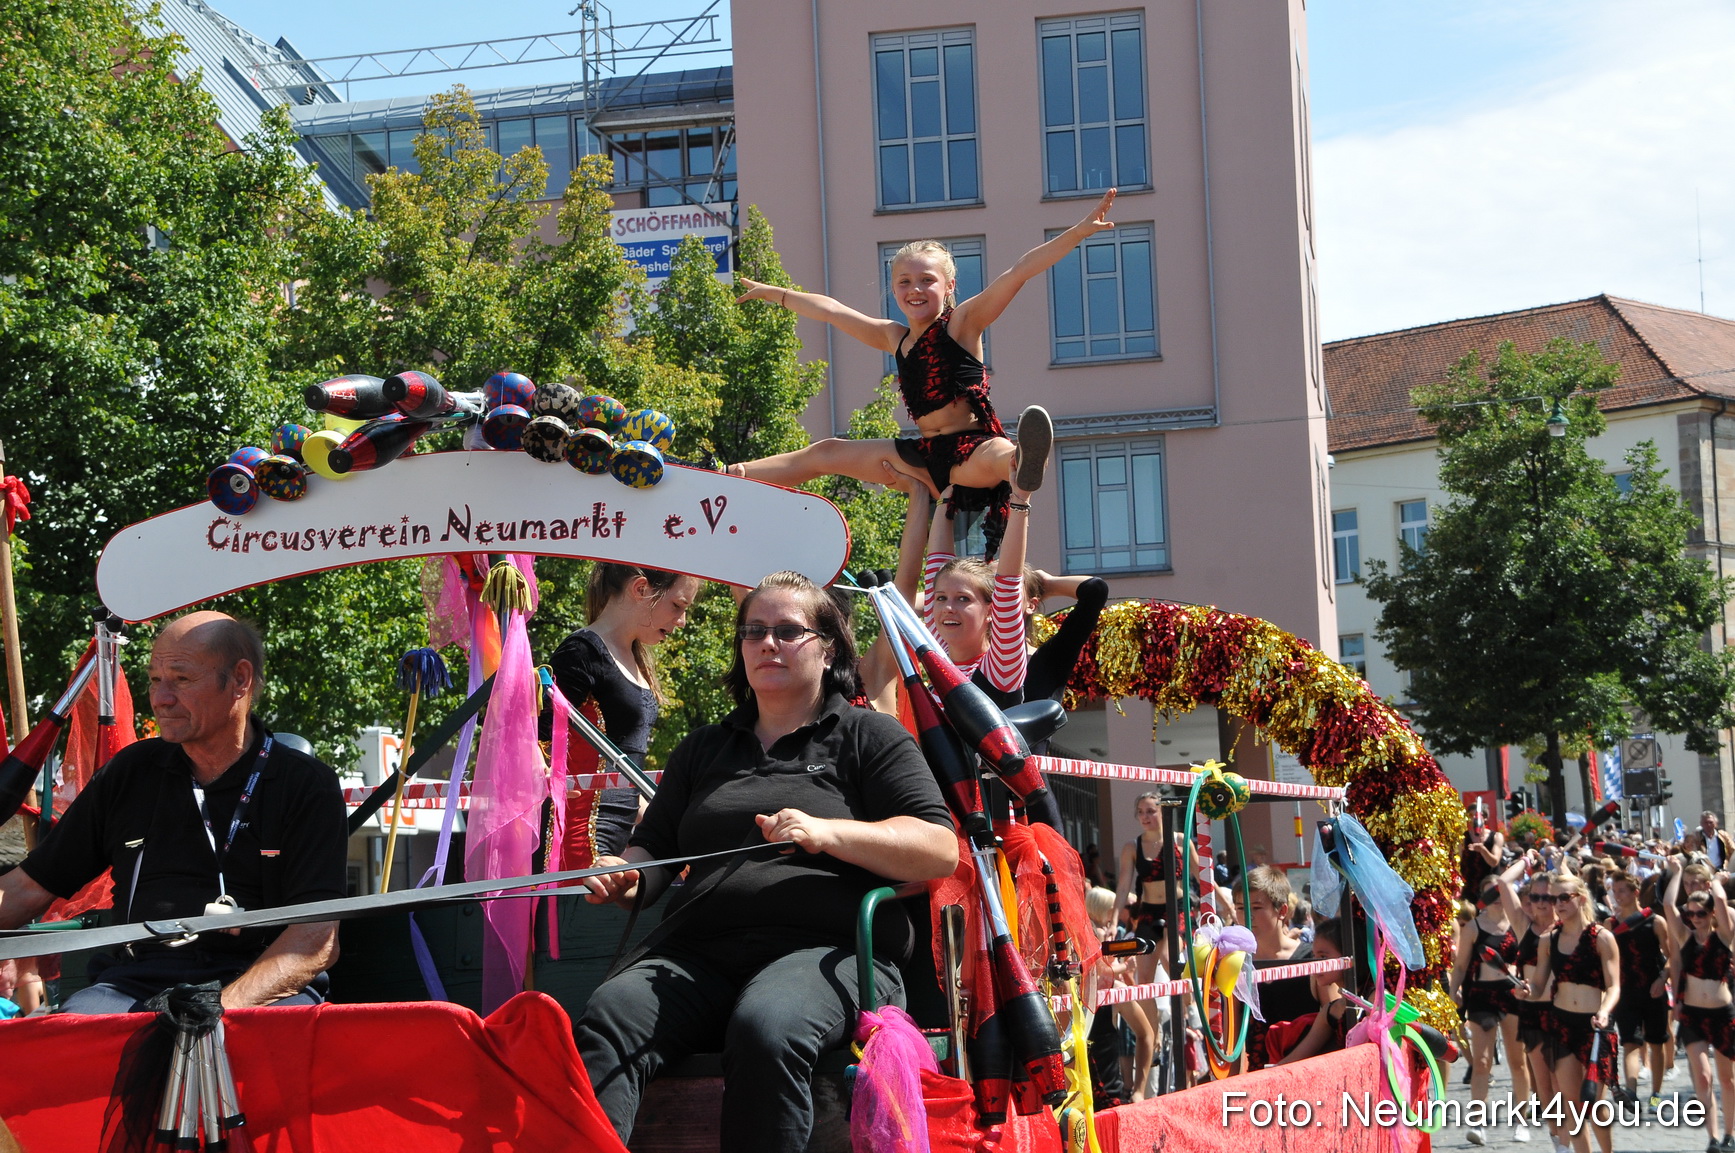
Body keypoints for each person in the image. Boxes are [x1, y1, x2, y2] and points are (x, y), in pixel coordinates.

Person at [572, 572, 958, 1153]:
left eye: (787, 631)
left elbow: (938, 848)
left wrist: (828, 832)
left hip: (828, 952)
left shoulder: (870, 736)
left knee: (767, 1026)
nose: (767, 643)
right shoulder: (702, 748)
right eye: (754, 631)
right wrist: (623, 876)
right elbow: (651, 855)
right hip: (700, 953)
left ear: (828, 649)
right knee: (608, 1016)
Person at [731, 191, 1119, 558]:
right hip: (922, 456)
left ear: (949, 286)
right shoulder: (893, 336)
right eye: (904, 282)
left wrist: (1078, 233)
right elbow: (832, 310)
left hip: (971, 449)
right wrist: (776, 294)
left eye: (927, 281)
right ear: (894, 289)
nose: (915, 289)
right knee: (827, 451)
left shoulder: (962, 324)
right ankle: (731, 475)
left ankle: (1021, 464)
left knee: (999, 453)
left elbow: (1018, 273)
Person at [0, 612, 345, 1012]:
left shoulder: (305, 783)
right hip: (134, 981)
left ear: (240, 679)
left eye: (181, 679)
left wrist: (221, 1006)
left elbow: (316, 937)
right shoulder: (131, 772)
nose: (161, 698)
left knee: (259, 1048)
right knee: (67, 1046)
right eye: (154, 680)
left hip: (259, 983)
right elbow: (26, 888)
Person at [546, 563, 701, 864]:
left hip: (623, 837)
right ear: (641, 589)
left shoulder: (635, 657)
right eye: (678, 605)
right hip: (581, 839)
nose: (682, 621)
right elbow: (539, 740)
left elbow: (629, 757)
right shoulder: (581, 652)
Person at [1520, 874, 1620, 1153]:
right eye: (1553, 898)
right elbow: (1539, 984)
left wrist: (1604, 1010)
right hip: (1562, 1025)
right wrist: (1527, 991)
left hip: (1595, 1027)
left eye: (1564, 897)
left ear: (1581, 898)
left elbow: (1614, 987)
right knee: (1572, 1105)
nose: (1557, 904)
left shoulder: (1602, 938)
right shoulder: (1548, 940)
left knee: (1596, 1106)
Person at [1451, 875, 1531, 1145]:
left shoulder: (1518, 923)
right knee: (1482, 1061)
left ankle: (1521, 1120)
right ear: (1483, 896)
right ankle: (1478, 1121)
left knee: (1517, 1061)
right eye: (1491, 891)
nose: (1497, 895)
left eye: (1501, 890)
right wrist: (1453, 994)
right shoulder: (1473, 927)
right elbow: (1461, 965)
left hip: (1512, 995)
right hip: (1481, 996)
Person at [1664, 856, 1735, 1152]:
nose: (1695, 918)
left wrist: (1717, 882)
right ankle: (1712, 1137)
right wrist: (1676, 873)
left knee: (1727, 1079)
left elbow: (1719, 901)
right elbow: (1669, 906)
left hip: (1723, 1013)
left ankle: (1730, 1134)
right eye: (1690, 913)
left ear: (1711, 914)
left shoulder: (1725, 935)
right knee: (1703, 1076)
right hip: (1693, 1014)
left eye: (1701, 913)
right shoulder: (1684, 935)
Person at [1497, 859, 1563, 1149]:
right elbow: (1502, 883)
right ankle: (1558, 1140)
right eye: (1534, 897)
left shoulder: (1568, 927)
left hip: (1565, 1011)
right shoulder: (1524, 926)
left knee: (1565, 1083)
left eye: (1546, 897)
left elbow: (1576, 889)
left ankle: (1570, 1135)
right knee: (1545, 1083)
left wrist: (1560, 868)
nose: (1539, 903)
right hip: (1533, 1012)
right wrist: (1525, 861)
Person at [1235, 866, 1314, 1073]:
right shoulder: (1235, 964)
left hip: (1307, 1074)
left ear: (1282, 911)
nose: (1247, 917)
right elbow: (1234, 1037)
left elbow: (1328, 1023)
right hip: (1258, 1081)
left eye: (1257, 908)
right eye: (1241, 908)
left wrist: (1284, 1068)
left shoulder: (1311, 959)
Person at [1084, 885, 1156, 1105]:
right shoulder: (1056, 993)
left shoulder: (1113, 990)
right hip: (1068, 1111)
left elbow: (1146, 1035)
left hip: (1108, 1105)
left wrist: (1139, 1090)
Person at [1605, 870, 1671, 1109]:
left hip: (1653, 988)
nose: (1617, 895)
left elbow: (1671, 956)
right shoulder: (1610, 924)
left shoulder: (1655, 921)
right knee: (1630, 1042)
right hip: (1626, 991)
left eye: (1622, 890)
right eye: (1614, 891)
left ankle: (1655, 1093)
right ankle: (1631, 1092)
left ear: (1634, 892)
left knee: (1656, 1042)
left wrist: (1663, 978)